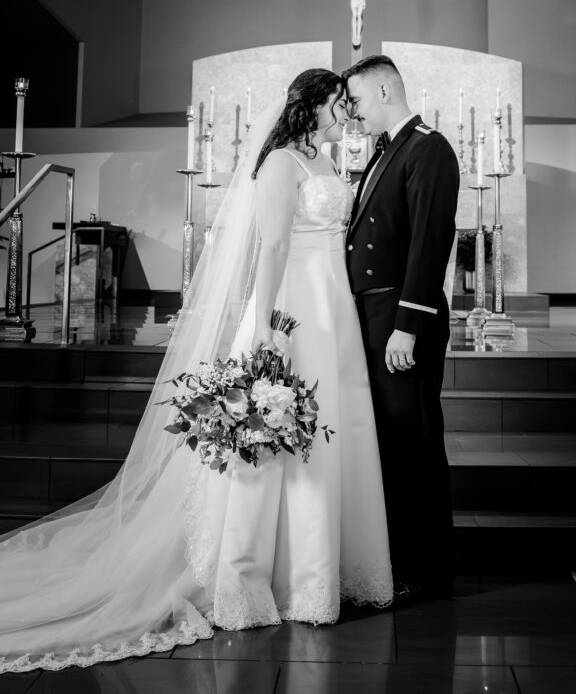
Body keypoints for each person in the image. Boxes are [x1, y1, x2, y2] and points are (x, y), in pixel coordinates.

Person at [0, 69, 392, 674]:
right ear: (312, 104)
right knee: (280, 435)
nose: (346, 113)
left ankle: (317, 569)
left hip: (331, 303)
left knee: (328, 427)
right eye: (338, 104)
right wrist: (263, 323)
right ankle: (250, 576)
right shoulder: (282, 162)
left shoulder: (324, 160)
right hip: (293, 308)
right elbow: (275, 246)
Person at [343, 55, 459, 597]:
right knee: (389, 440)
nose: (353, 112)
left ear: (386, 90)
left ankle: (426, 572)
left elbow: (428, 244)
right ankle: (398, 563)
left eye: (358, 100)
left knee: (413, 440)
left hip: (400, 316)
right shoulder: (387, 150)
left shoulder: (429, 147)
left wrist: (407, 325)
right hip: (374, 315)